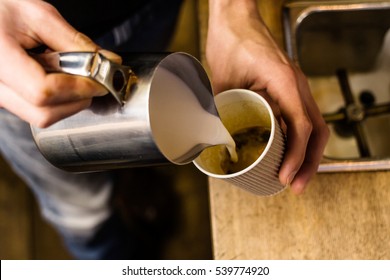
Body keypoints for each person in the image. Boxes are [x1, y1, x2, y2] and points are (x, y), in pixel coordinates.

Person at [0, 0, 329, 259]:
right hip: (21, 61)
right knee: (82, 208)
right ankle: (112, 260)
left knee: (143, 144)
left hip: (147, 10)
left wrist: (234, 10)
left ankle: (133, 175)